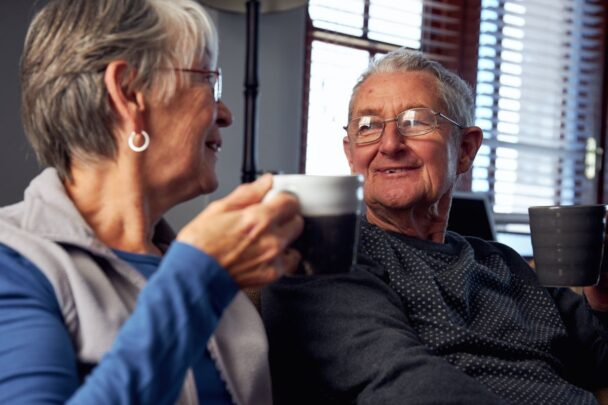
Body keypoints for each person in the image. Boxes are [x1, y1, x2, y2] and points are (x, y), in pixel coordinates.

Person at [262, 48, 608, 404]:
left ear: (466, 149)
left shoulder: (505, 264)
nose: (390, 144)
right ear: (351, 154)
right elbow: (407, 388)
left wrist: (603, 296)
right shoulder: (324, 253)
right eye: (368, 127)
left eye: (415, 121)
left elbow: (598, 359)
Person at [0, 0, 303, 404]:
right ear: (128, 94)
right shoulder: (13, 262)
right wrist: (199, 278)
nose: (226, 113)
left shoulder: (212, 270)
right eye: (208, 81)